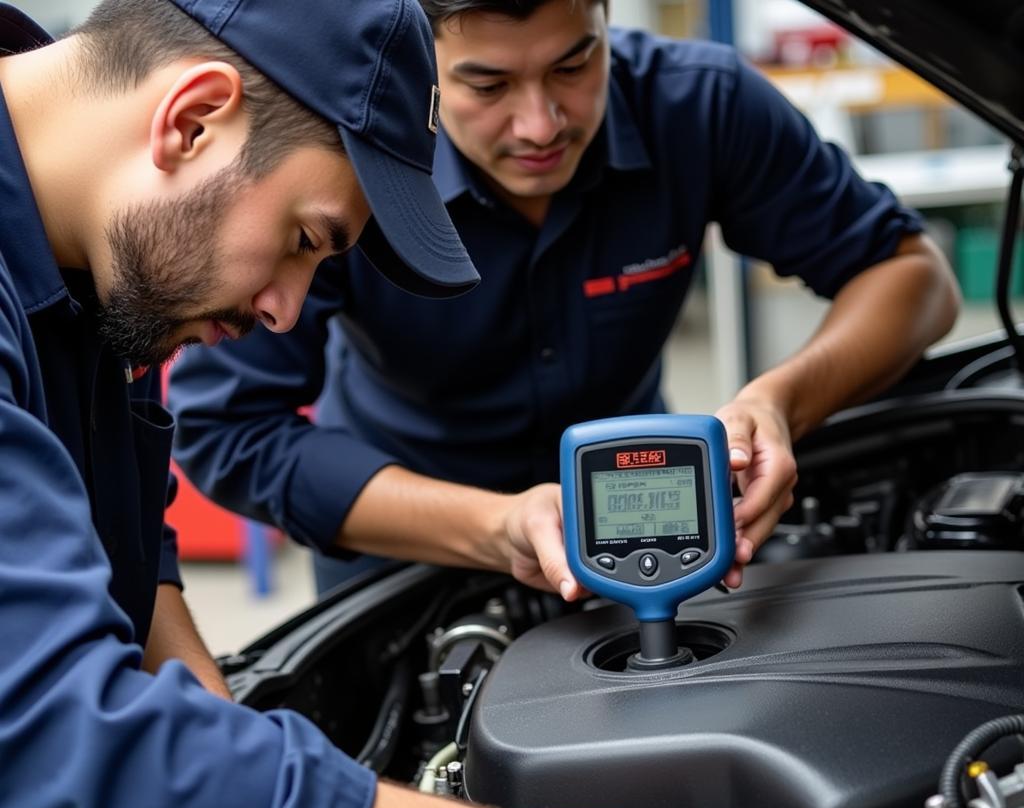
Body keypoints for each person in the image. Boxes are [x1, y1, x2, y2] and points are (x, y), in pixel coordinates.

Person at [0, 0, 721, 808]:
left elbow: (131, 557)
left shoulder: (92, 248)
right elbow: (50, 716)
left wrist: (233, 785)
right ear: (192, 120)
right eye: (304, 238)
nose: (285, 311)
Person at [169, 0, 960, 600]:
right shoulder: (344, 165)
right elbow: (229, 430)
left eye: (574, 67)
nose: (540, 123)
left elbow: (912, 277)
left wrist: (783, 399)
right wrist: (491, 526)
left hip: (655, 531)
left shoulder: (700, 108)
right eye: (489, 84)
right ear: (422, 67)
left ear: (608, 23)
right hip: (404, 568)